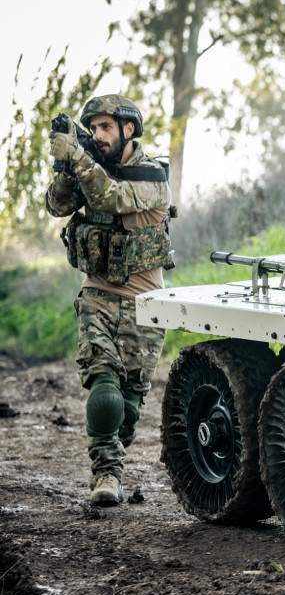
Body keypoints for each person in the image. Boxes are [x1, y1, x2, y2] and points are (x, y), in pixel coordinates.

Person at [46, 94, 173, 507]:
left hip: (145, 303)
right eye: (92, 129)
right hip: (98, 293)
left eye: (105, 128)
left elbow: (112, 198)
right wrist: (66, 167)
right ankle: (106, 475)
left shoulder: (151, 175)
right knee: (104, 387)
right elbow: (57, 205)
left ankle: (113, 463)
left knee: (129, 407)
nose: (98, 136)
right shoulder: (92, 169)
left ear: (128, 130)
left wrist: (80, 159)